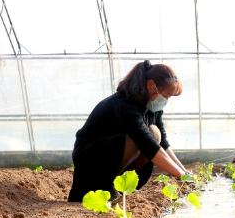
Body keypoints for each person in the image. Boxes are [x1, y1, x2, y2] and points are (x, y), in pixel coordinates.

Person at [68, 60, 188, 202]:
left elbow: (164, 144)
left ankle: (116, 185)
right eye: (166, 96)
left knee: (155, 133)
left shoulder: (152, 107)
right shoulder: (125, 104)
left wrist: (185, 172)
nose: (166, 101)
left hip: (111, 154)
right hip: (91, 158)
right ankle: (104, 185)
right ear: (151, 86)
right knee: (151, 135)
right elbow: (148, 144)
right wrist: (180, 175)